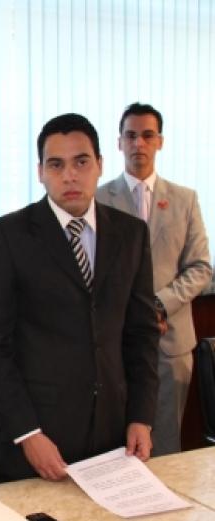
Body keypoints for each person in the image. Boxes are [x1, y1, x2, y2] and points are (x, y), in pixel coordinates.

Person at [0, 113, 160, 482]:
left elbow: (141, 335)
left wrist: (141, 416)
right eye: (56, 164)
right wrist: (27, 433)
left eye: (81, 162)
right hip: (39, 441)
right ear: (40, 172)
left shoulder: (131, 234)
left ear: (100, 165)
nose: (70, 175)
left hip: (114, 438)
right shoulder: (7, 236)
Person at [96, 103, 212, 456]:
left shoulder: (184, 199)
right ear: (119, 142)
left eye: (147, 135)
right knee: (114, 447)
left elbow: (201, 268)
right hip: (114, 345)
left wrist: (158, 304)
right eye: (131, 136)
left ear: (160, 141)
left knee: (165, 447)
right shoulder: (97, 199)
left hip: (171, 343)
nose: (139, 144)